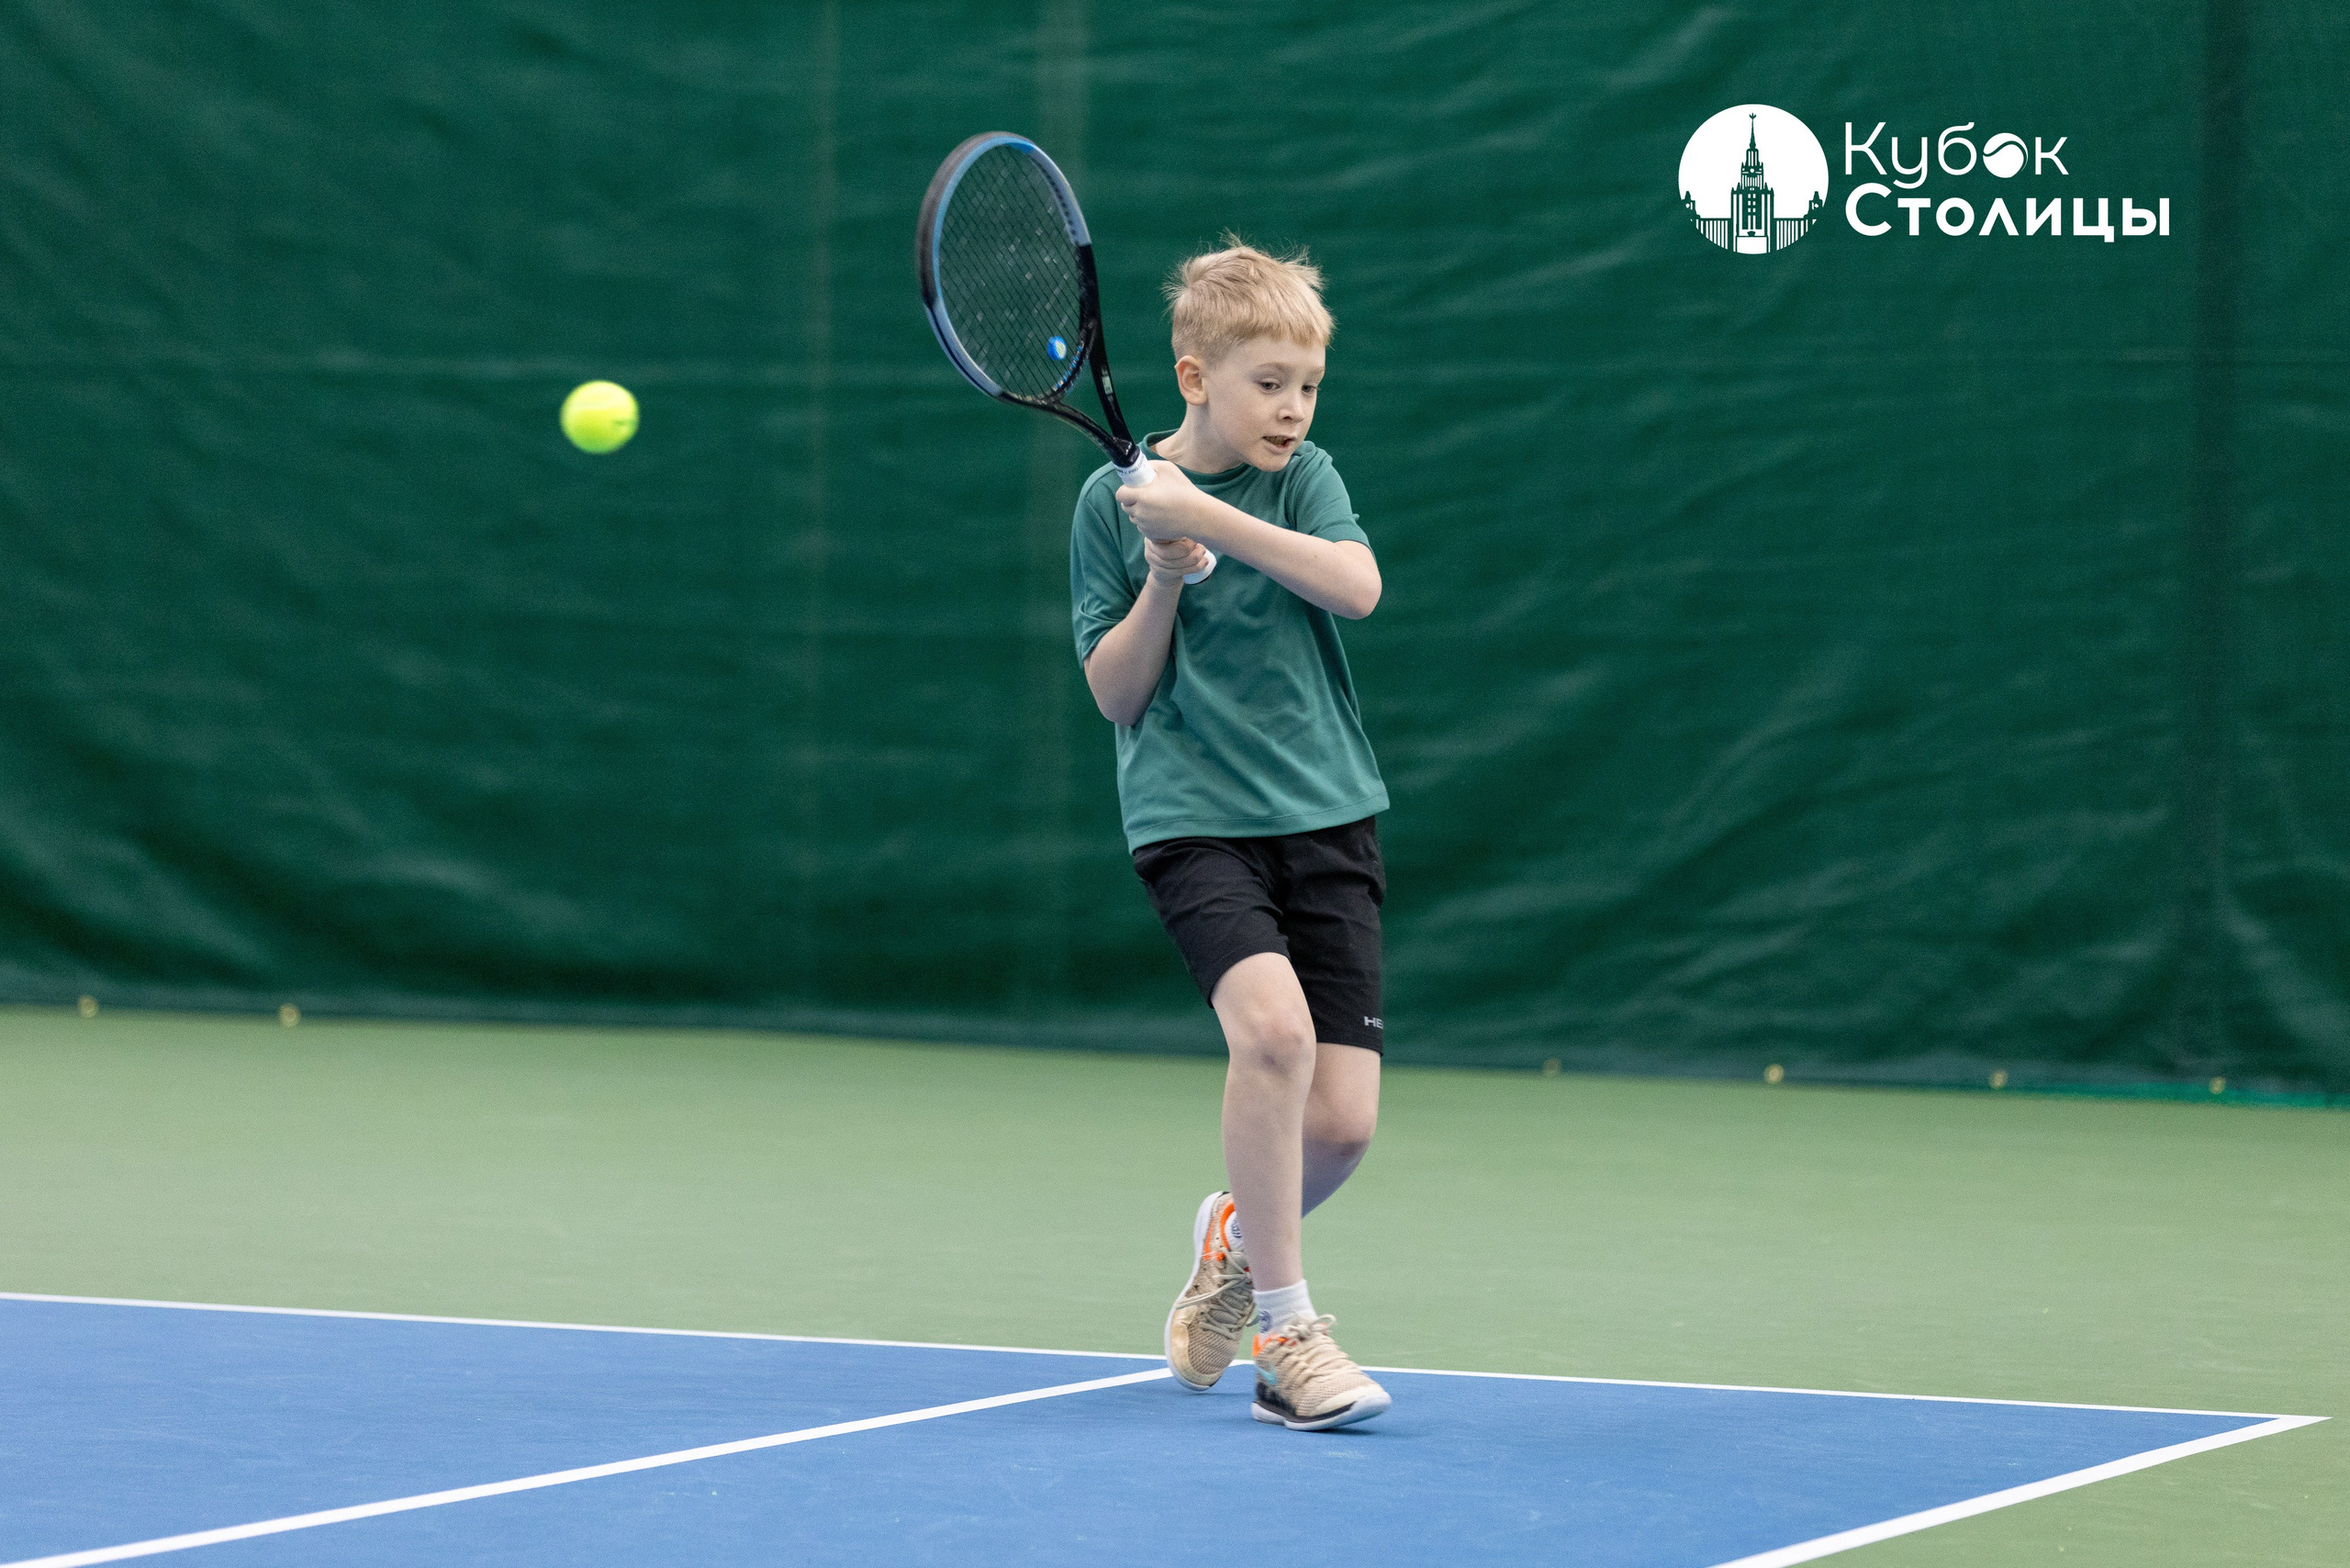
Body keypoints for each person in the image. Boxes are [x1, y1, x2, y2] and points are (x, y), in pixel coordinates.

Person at [1069, 242, 1391, 1431]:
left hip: (1328, 814)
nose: (1294, 409)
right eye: (1270, 383)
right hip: (1193, 821)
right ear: (1196, 376)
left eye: (1308, 385)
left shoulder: (1303, 478)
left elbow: (1354, 587)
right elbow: (1115, 692)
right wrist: (1162, 572)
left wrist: (1208, 517)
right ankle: (1289, 1337)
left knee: (1344, 1125)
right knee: (1270, 1041)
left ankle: (1232, 1241)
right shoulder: (1116, 504)